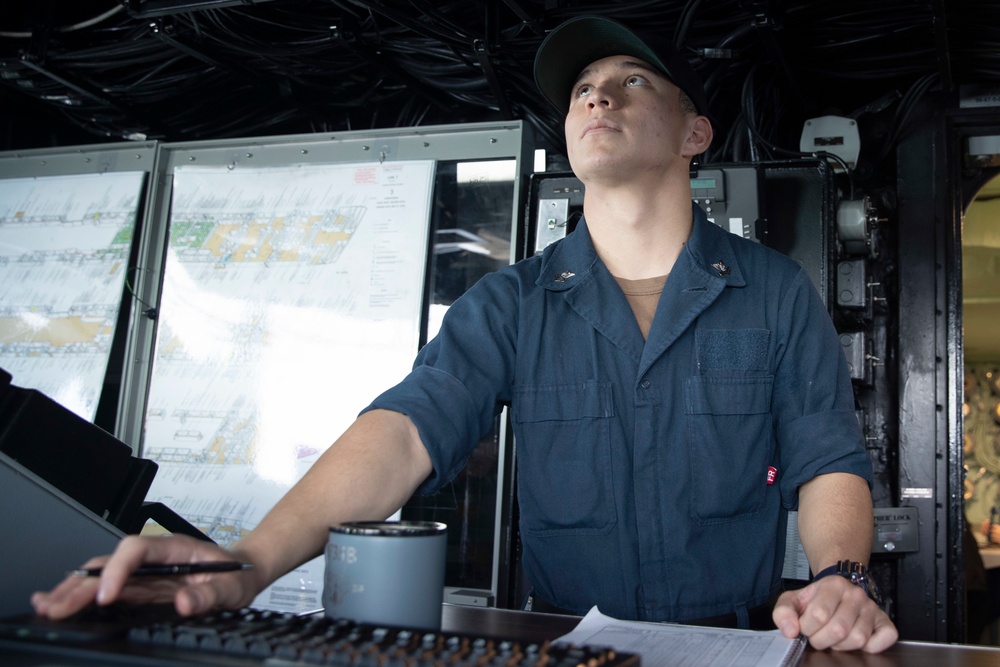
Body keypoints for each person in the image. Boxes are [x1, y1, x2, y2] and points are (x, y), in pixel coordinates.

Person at [32, 15, 898, 654]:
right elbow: (407, 430)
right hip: (568, 647)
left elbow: (826, 460)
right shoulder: (514, 302)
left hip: (740, 644)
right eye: (583, 89)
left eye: (632, 80)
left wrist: (839, 579)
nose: (597, 93)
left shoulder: (773, 294)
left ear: (695, 133)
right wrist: (250, 562)